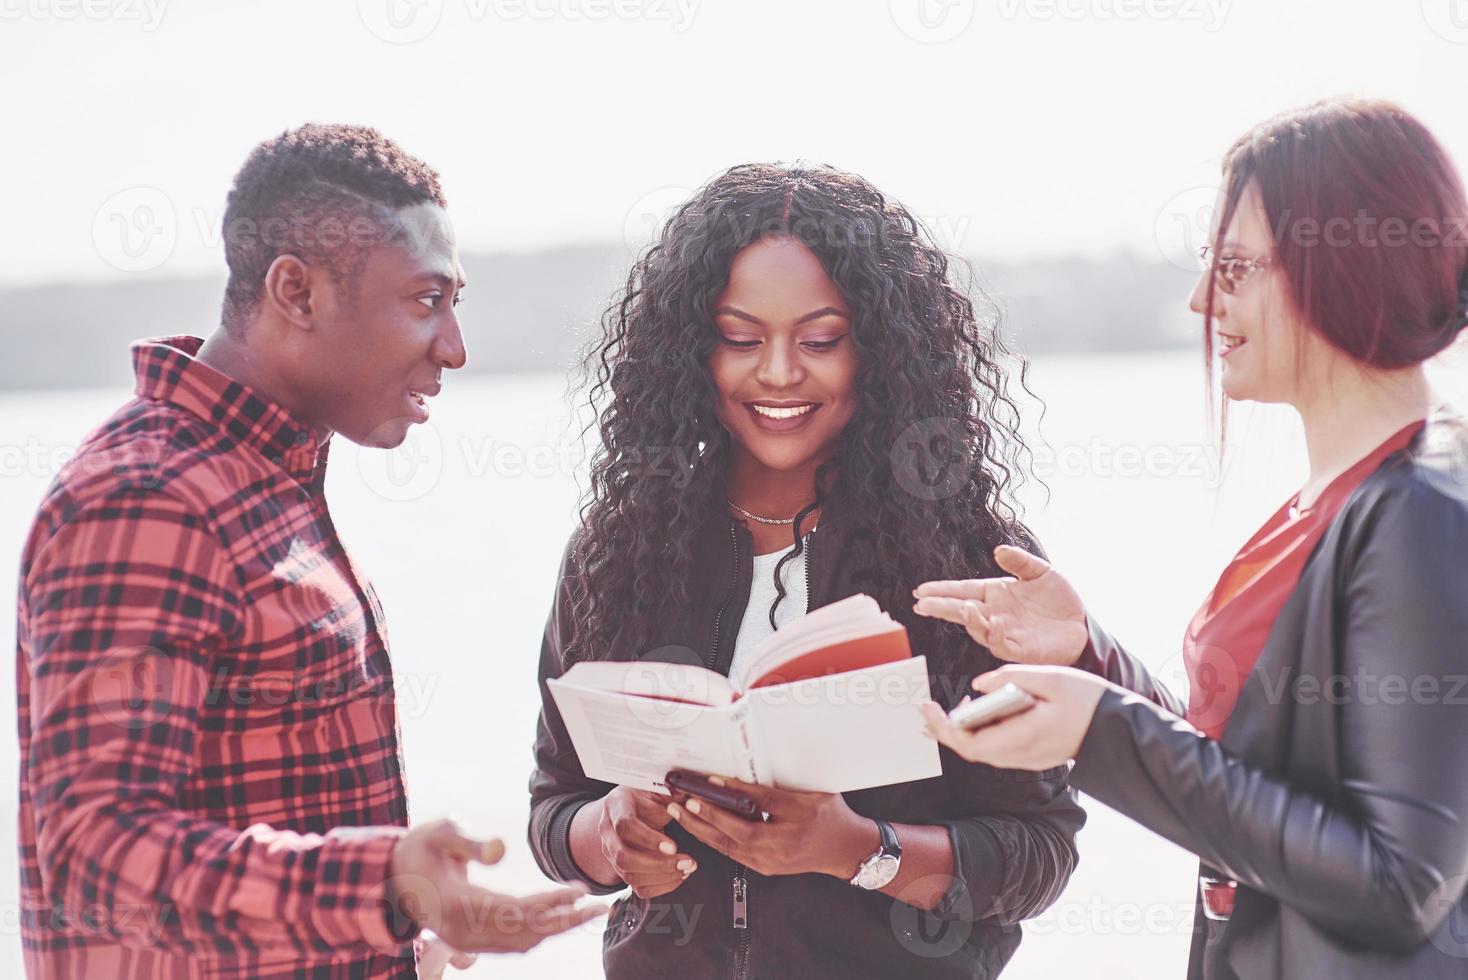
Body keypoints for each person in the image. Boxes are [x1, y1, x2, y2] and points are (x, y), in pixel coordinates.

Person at [15, 123, 604, 979]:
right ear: (296, 292)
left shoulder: (259, 482)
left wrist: (396, 937)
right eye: (425, 300)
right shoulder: (149, 497)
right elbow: (96, 857)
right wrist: (385, 887)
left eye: (455, 301)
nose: (455, 347)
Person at [915, 97, 1468, 979]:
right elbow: (1246, 782)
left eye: (1239, 266)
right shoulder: (1336, 500)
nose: (1203, 297)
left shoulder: (1423, 517)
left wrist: (1099, 732)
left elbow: (1401, 883)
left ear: (1352, 267)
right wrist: (1088, 660)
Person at [527, 162, 1085, 978]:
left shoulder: (968, 561)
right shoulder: (620, 550)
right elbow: (554, 808)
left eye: (821, 339)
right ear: (692, 349)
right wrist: (609, 837)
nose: (780, 372)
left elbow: (1037, 852)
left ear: (881, 351)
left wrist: (855, 849)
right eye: (741, 338)